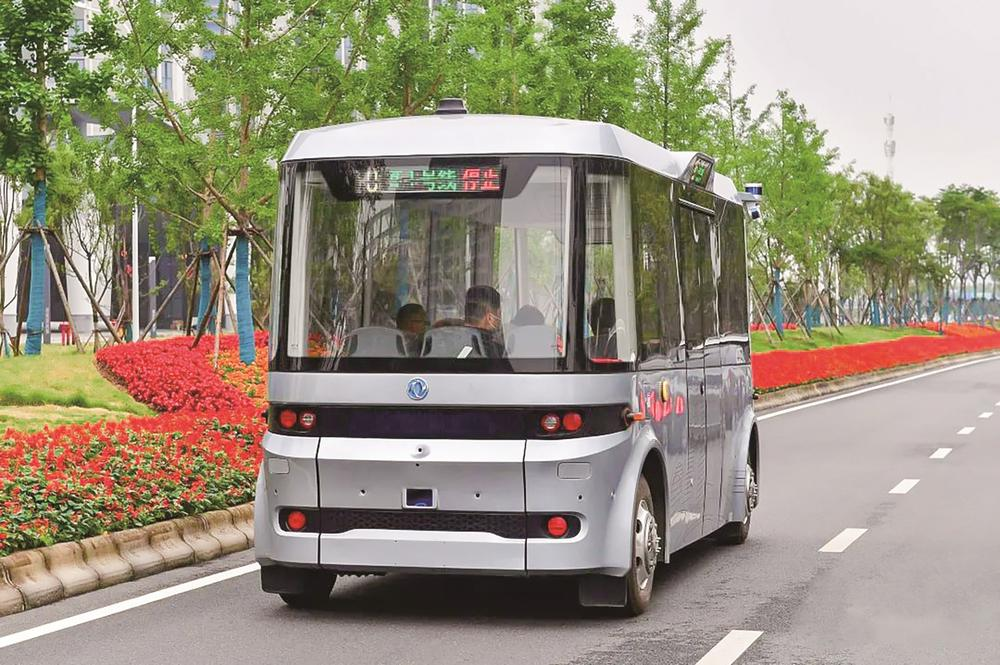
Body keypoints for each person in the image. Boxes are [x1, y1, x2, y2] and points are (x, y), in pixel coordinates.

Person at [464, 285, 505, 357]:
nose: (500, 319)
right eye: (499, 314)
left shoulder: (448, 339)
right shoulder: (494, 351)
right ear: (490, 318)